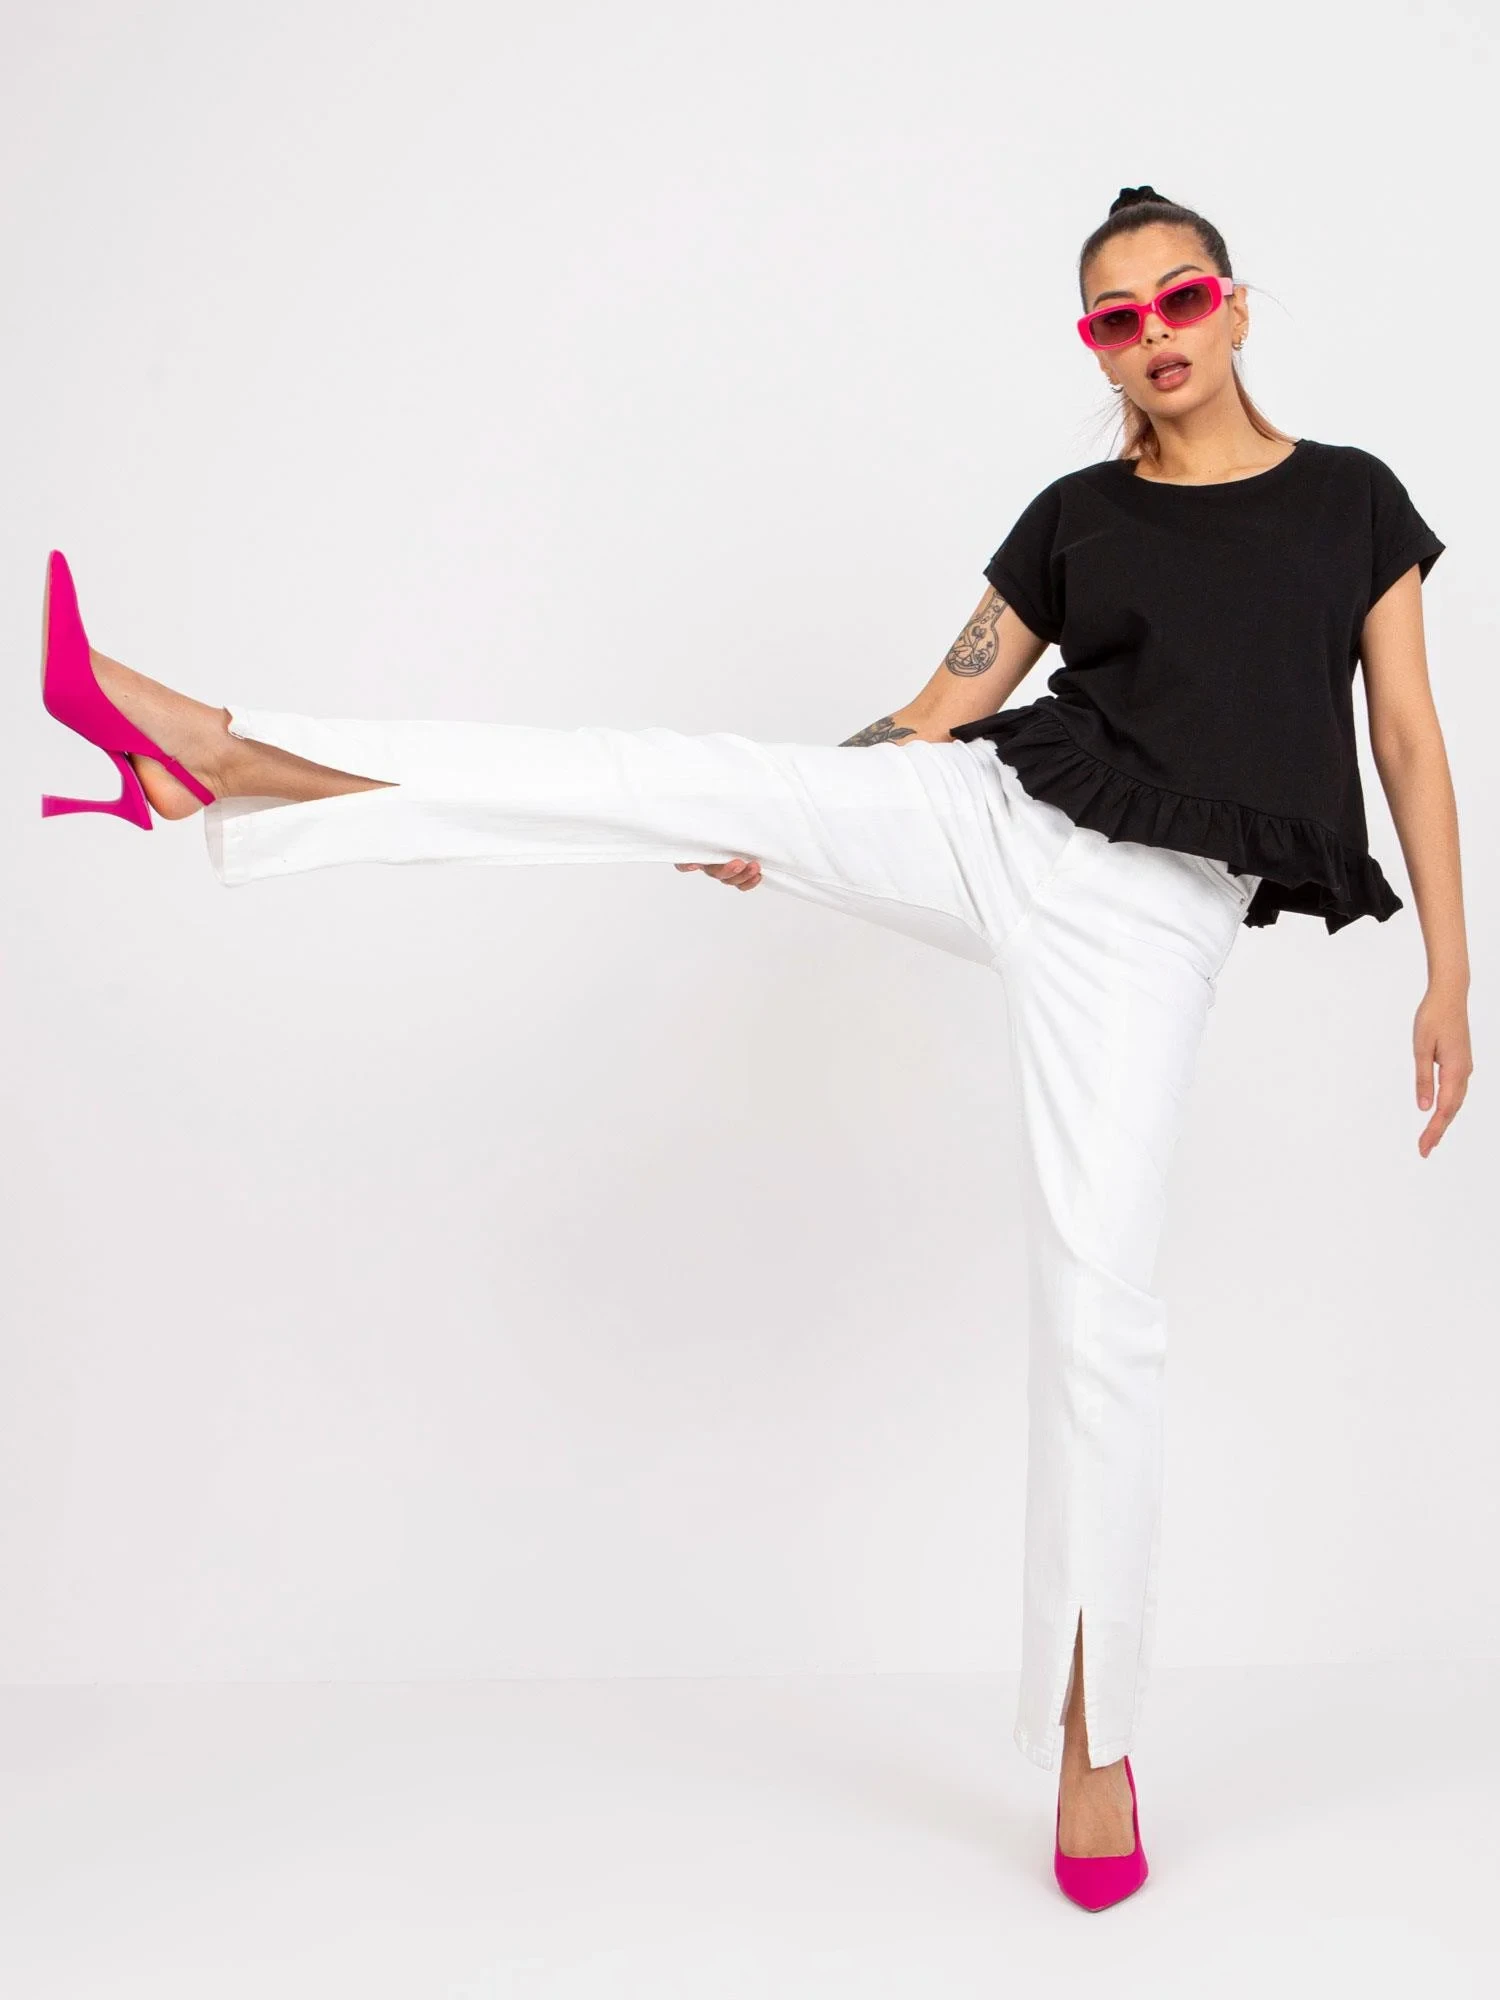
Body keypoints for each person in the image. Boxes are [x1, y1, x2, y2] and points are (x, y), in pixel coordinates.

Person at [39, 184, 1472, 1912]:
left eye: (1179, 299)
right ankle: (219, 752)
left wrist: (1447, 977)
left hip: (1150, 922)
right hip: (994, 818)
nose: (1154, 335)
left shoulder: (1351, 498)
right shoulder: (1075, 518)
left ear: (1236, 305)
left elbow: (1407, 734)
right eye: (1117, 318)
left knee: (1104, 1318)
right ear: (1094, 348)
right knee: (659, 777)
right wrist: (799, 814)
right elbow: (940, 708)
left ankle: (1095, 1750)